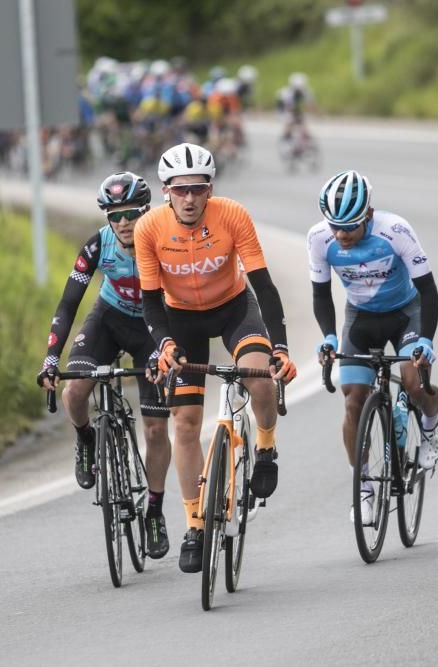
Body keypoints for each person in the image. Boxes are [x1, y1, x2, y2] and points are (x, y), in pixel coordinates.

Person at [133, 143, 296, 573]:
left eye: (198, 189)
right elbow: (150, 304)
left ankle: (264, 448)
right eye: (181, 190)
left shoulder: (232, 215)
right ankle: (194, 524)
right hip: (180, 321)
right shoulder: (149, 229)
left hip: (234, 308)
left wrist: (279, 346)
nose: (189, 199)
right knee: (185, 425)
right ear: (166, 190)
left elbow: (263, 284)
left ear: (210, 189)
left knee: (259, 378)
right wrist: (164, 345)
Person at [37, 172, 174, 560]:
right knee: (75, 390)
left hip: (153, 327)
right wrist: (51, 359)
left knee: (155, 427)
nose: (124, 223)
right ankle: (85, 439)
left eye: (131, 213)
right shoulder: (99, 244)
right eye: (115, 216)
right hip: (109, 318)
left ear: (146, 211)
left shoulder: (164, 239)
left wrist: (168, 350)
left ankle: (154, 510)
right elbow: (67, 305)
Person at [308, 170, 438, 525]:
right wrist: (328, 336)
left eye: (349, 226)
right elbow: (321, 294)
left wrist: (426, 340)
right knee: (353, 399)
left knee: (414, 384)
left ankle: (430, 425)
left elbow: (428, 291)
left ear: (369, 214)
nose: (341, 234)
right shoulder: (320, 239)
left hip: (405, 313)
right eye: (334, 225)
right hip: (361, 317)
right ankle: (364, 487)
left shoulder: (395, 231)